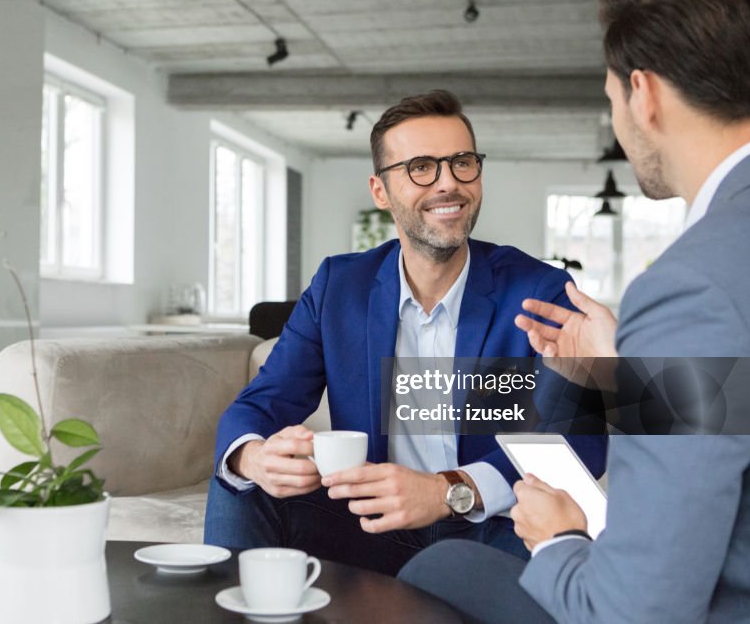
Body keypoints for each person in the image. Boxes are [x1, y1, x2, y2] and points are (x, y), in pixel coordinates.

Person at [398, 0, 750, 622]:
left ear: (644, 94)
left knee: (438, 565)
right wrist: (635, 372)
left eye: (462, 164)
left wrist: (560, 541)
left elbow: (639, 610)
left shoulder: (686, 286)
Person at [203, 90, 607, 576]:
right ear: (380, 190)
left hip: (489, 528)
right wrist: (254, 458)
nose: (448, 184)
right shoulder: (339, 286)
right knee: (238, 483)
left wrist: (449, 491)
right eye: (421, 167)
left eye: (462, 163)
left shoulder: (537, 289)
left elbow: (583, 442)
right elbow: (261, 403)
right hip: (367, 524)